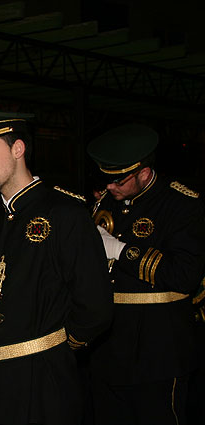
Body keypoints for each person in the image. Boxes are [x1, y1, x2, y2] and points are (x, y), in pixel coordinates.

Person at [0, 112, 113, 425]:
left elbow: (95, 307)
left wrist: (55, 348)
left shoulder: (65, 213)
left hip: (39, 386)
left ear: (18, 149)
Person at [86, 123, 205, 425]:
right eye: (105, 179)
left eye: (119, 180)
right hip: (108, 350)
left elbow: (185, 275)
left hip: (159, 351)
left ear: (143, 171)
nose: (110, 187)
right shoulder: (105, 202)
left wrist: (121, 250)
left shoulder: (182, 205)